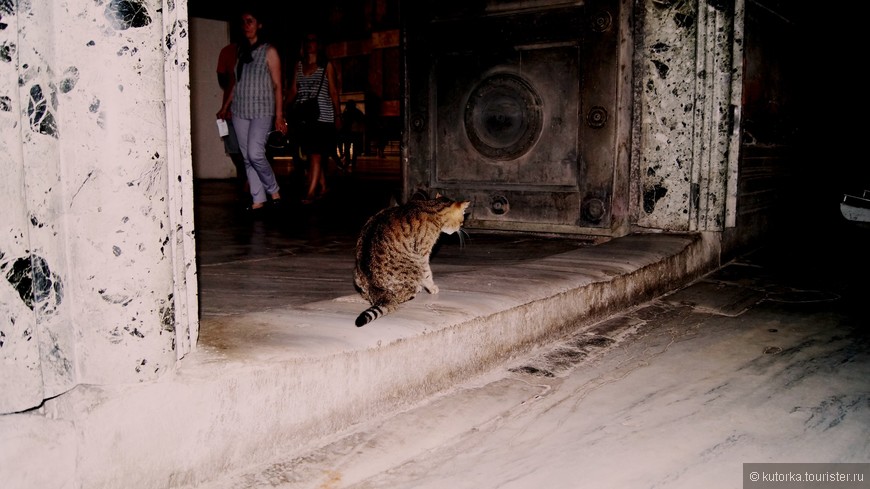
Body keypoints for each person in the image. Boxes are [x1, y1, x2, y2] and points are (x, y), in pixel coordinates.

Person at [217, 8, 285, 213]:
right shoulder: (240, 52)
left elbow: (277, 85)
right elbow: (236, 84)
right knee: (247, 158)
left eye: (250, 21)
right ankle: (258, 200)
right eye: (243, 22)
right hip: (240, 111)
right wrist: (225, 107)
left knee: (256, 154)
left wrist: (279, 116)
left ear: (260, 25)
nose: (246, 25)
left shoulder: (269, 51)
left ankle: (274, 190)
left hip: (262, 110)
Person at [286, 32, 341, 204]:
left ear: (319, 44)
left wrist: (338, 115)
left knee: (316, 154)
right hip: (304, 116)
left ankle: (311, 192)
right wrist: (281, 109)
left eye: (314, 40)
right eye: (308, 41)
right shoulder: (299, 66)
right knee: (310, 154)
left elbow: (333, 91)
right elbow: (293, 91)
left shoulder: (326, 66)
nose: (310, 44)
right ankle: (323, 186)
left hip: (322, 115)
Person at [215, 41, 248, 198]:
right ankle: (245, 177)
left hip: (251, 110)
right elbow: (222, 79)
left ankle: (249, 180)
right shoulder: (227, 51)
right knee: (233, 147)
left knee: (249, 148)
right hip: (230, 110)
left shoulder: (256, 50)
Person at [340, 100, 366, 172]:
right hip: (355, 133)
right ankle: (353, 162)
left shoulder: (346, 112)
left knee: (347, 148)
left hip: (347, 132)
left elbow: (344, 122)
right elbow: (362, 120)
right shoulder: (358, 112)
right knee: (354, 149)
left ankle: (347, 161)